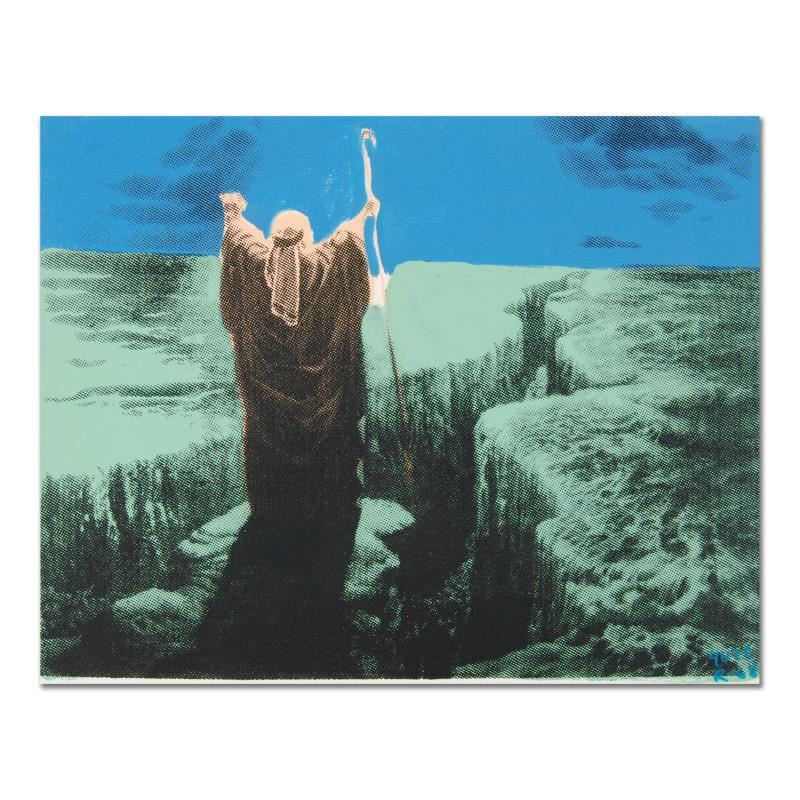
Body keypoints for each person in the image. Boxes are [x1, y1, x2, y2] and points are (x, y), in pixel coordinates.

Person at [197, 191, 378, 678]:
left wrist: (234, 212)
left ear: (274, 240)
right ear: (307, 239)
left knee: (274, 494)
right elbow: (346, 240)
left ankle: (276, 527)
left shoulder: (256, 267)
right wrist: (364, 214)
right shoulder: (328, 266)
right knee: (327, 491)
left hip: (268, 425)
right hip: (328, 423)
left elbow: (241, 243)